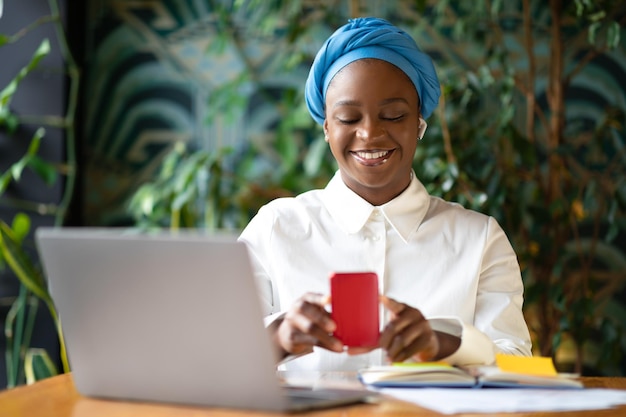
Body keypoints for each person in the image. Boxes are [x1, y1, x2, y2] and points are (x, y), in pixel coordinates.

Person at [238, 17, 532, 372]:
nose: (369, 134)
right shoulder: (275, 228)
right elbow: (217, 359)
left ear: (419, 123)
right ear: (327, 128)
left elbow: (517, 366)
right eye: (348, 118)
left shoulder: (479, 240)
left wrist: (442, 343)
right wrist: (280, 337)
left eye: (393, 115)